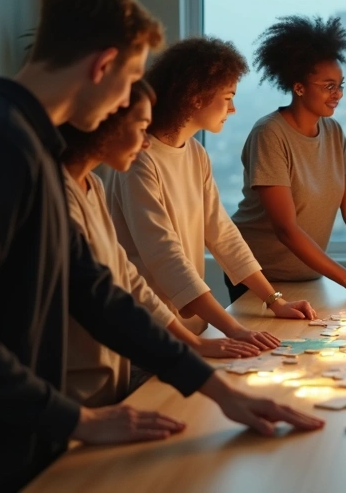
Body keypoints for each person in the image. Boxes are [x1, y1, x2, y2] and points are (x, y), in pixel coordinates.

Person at [0, 0, 322, 492]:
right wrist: (80, 420)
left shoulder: (33, 147)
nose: (129, 103)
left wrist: (218, 391)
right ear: (102, 65)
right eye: (130, 79)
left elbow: (97, 291)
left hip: (7, 442)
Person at [61, 79, 264, 407]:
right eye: (141, 127)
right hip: (78, 380)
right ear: (104, 121)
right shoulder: (61, 194)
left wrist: (193, 344)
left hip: (118, 366)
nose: (145, 142)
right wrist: (202, 344)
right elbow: (120, 288)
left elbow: (128, 277)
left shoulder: (94, 186)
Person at [106, 37, 316, 349]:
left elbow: (222, 234)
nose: (232, 108)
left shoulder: (195, 153)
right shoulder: (138, 159)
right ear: (195, 97)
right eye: (228, 97)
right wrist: (234, 328)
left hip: (194, 329)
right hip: (148, 332)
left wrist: (274, 301)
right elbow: (164, 255)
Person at [229, 15, 346, 303]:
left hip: (308, 276)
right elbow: (286, 229)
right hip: (259, 278)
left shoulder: (333, 132)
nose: (338, 94)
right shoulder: (269, 134)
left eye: (341, 85)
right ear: (299, 87)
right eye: (328, 86)